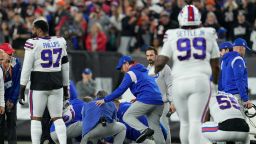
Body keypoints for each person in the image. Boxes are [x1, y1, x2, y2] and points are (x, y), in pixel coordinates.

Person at [151, 5, 220, 144]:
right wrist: (215, 84)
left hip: (179, 82)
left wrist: (151, 73)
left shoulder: (172, 34)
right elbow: (216, 65)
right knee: (195, 120)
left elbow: (160, 62)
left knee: (185, 123)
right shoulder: (209, 33)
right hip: (200, 80)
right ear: (199, 19)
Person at [19, 17, 69, 144]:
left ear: (39, 30)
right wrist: (65, 86)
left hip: (39, 84)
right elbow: (65, 66)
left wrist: (22, 87)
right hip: (56, 83)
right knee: (57, 118)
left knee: (36, 118)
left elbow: (26, 67)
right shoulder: (60, 41)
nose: (32, 30)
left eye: (34, 28)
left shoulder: (33, 43)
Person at [96, 55, 165, 143]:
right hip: (159, 100)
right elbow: (149, 87)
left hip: (147, 99)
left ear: (126, 63)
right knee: (156, 127)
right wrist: (138, 98)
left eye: (121, 67)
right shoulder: (145, 71)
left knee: (127, 116)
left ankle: (144, 130)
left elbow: (120, 90)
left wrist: (105, 99)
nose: (121, 70)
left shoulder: (131, 73)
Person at [145, 47, 175, 144]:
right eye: (147, 55)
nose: (149, 58)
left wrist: (172, 102)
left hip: (163, 104)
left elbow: (170, 85)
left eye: (151, 55)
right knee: (154, 129)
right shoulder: (147, 69)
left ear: (156, 56)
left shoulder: (165, 68)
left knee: (164, 128)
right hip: (151, 105)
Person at [221, 38, 253, 116]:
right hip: (237, 97)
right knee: (241, 125)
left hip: (226, 97)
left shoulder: (224, 61)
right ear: (240, 48)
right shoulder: (238, 59)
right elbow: (239, 80)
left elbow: (222, 81)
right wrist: (245, 99)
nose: (245, 51)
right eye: (245, 48)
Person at [0, 43, 21, 144]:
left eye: (11, 53)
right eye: (8, 53)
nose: (11, 55)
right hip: (0, 99)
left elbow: (17, 83)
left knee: (12, 124)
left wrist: (12, 100)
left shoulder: (16, 63)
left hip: (11, 99)